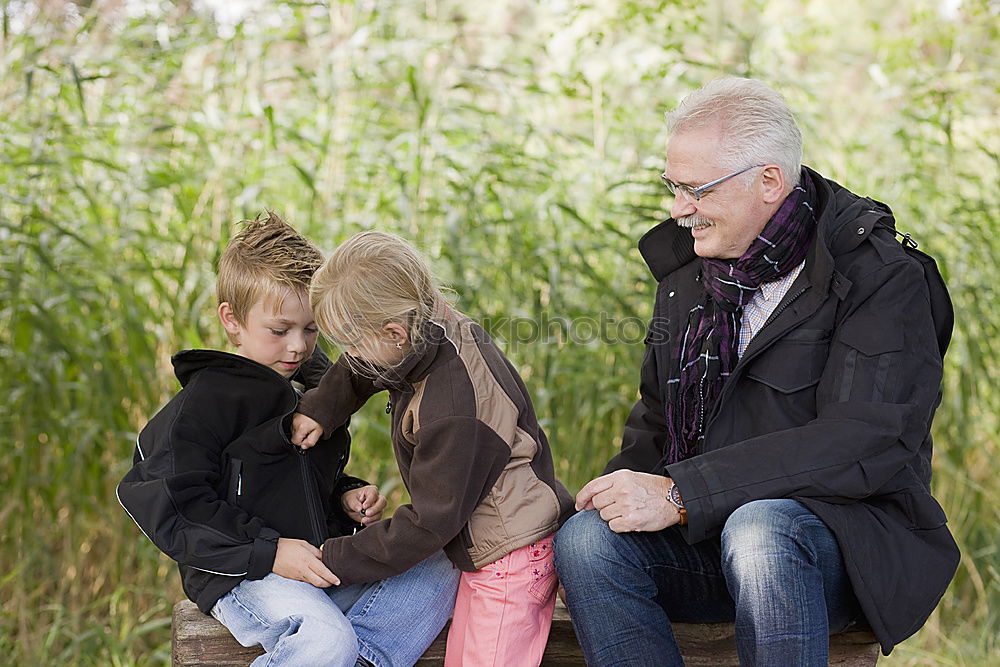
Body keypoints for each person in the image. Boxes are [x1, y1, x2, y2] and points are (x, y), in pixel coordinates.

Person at [553, 77, 959, 666]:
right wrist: (618, 496)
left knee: (762, 530)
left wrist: (683, 493)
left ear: (768, 181)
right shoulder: (689, 278)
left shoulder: (878, 276)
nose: (678, 209)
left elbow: (862, 440)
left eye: (697, 189)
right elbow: (656, 421)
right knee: (588, 542)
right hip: (709, 540)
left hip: (839, 543)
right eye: (673, 187)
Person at [117, 213, 459, 667]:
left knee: (445, 562)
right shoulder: (208, 401)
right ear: (232, 321)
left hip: (319, 565)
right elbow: (168, 503)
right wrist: (269, 552)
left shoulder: (316, 393)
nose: (297, 347)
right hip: (247, 575)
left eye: (311, 329)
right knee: (325, 641)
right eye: (279, 331)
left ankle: (359, 660)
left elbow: (295, 483)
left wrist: (344, 495)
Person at [290, 230, 576, 667]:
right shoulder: (431, 323)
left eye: (352, 342)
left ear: (394, 330)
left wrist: (331, 556)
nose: (350, 354)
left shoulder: (453, 408)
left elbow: (428, 523)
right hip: (493, 547)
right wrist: (322, 408)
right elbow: (370, 363)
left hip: (509, 562)